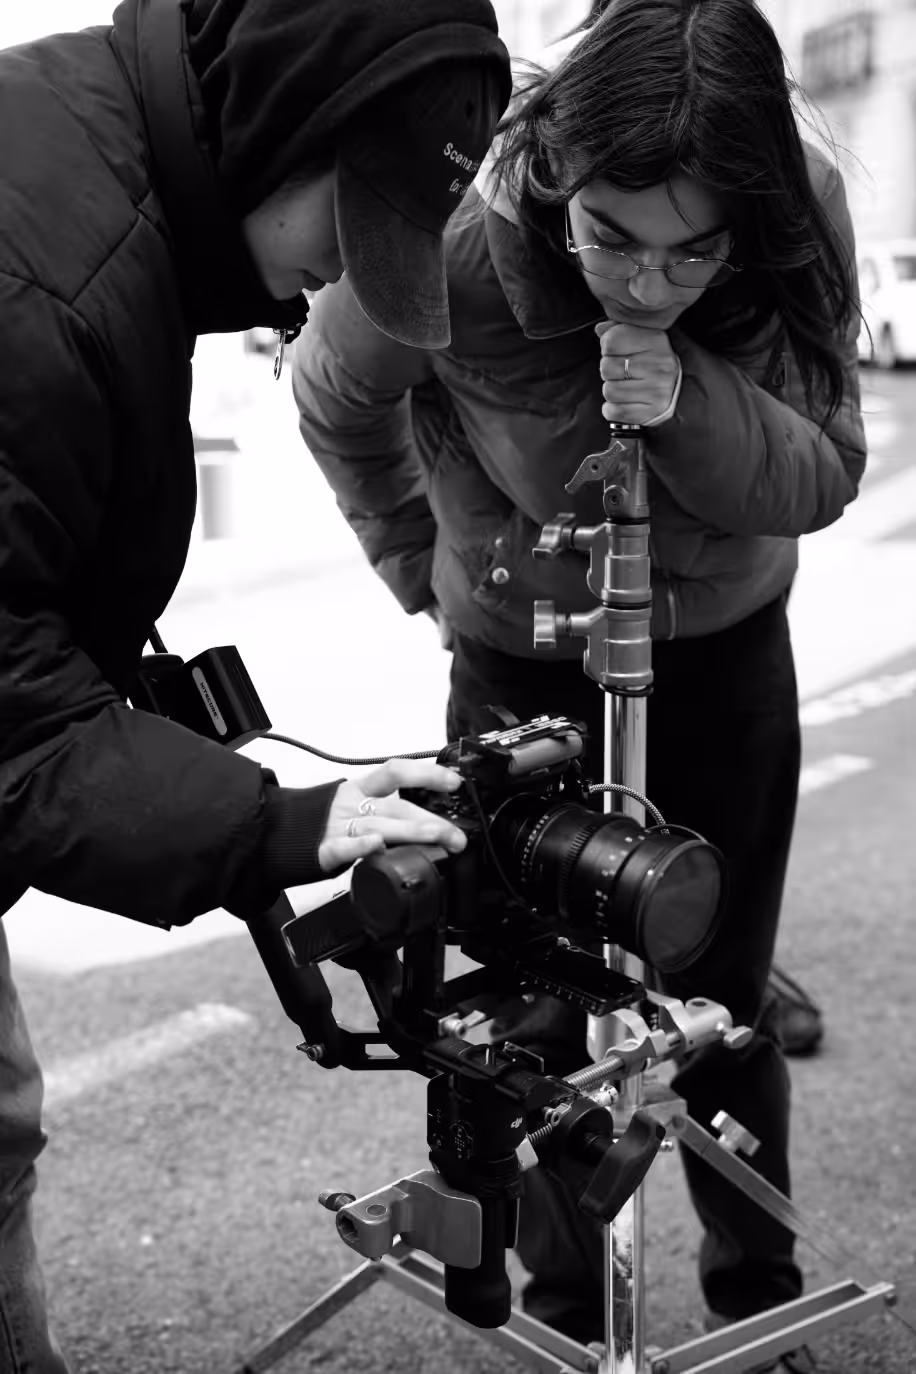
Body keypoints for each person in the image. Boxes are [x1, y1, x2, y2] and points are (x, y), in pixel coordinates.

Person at [292, 1, 865, 1369]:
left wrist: (680, 392)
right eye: (613, 237)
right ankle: (560, 1305)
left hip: (723, 645)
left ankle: (755, 1292)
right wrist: (420, 567)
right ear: (552, 175)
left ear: (749, 220)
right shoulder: (455, 223)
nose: (648, 281)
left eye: (692, 253)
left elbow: (826, 467)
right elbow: (334, 396)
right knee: (530, 1007)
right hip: (517, 658)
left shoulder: (800, 195)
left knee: (713, 998)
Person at [0, 0, 512, 1368]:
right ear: (287, 125)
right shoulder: (48, 283)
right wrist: (270, 820)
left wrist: (220, 763)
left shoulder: (91, 171)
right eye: (348, 239)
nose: (331, 284)